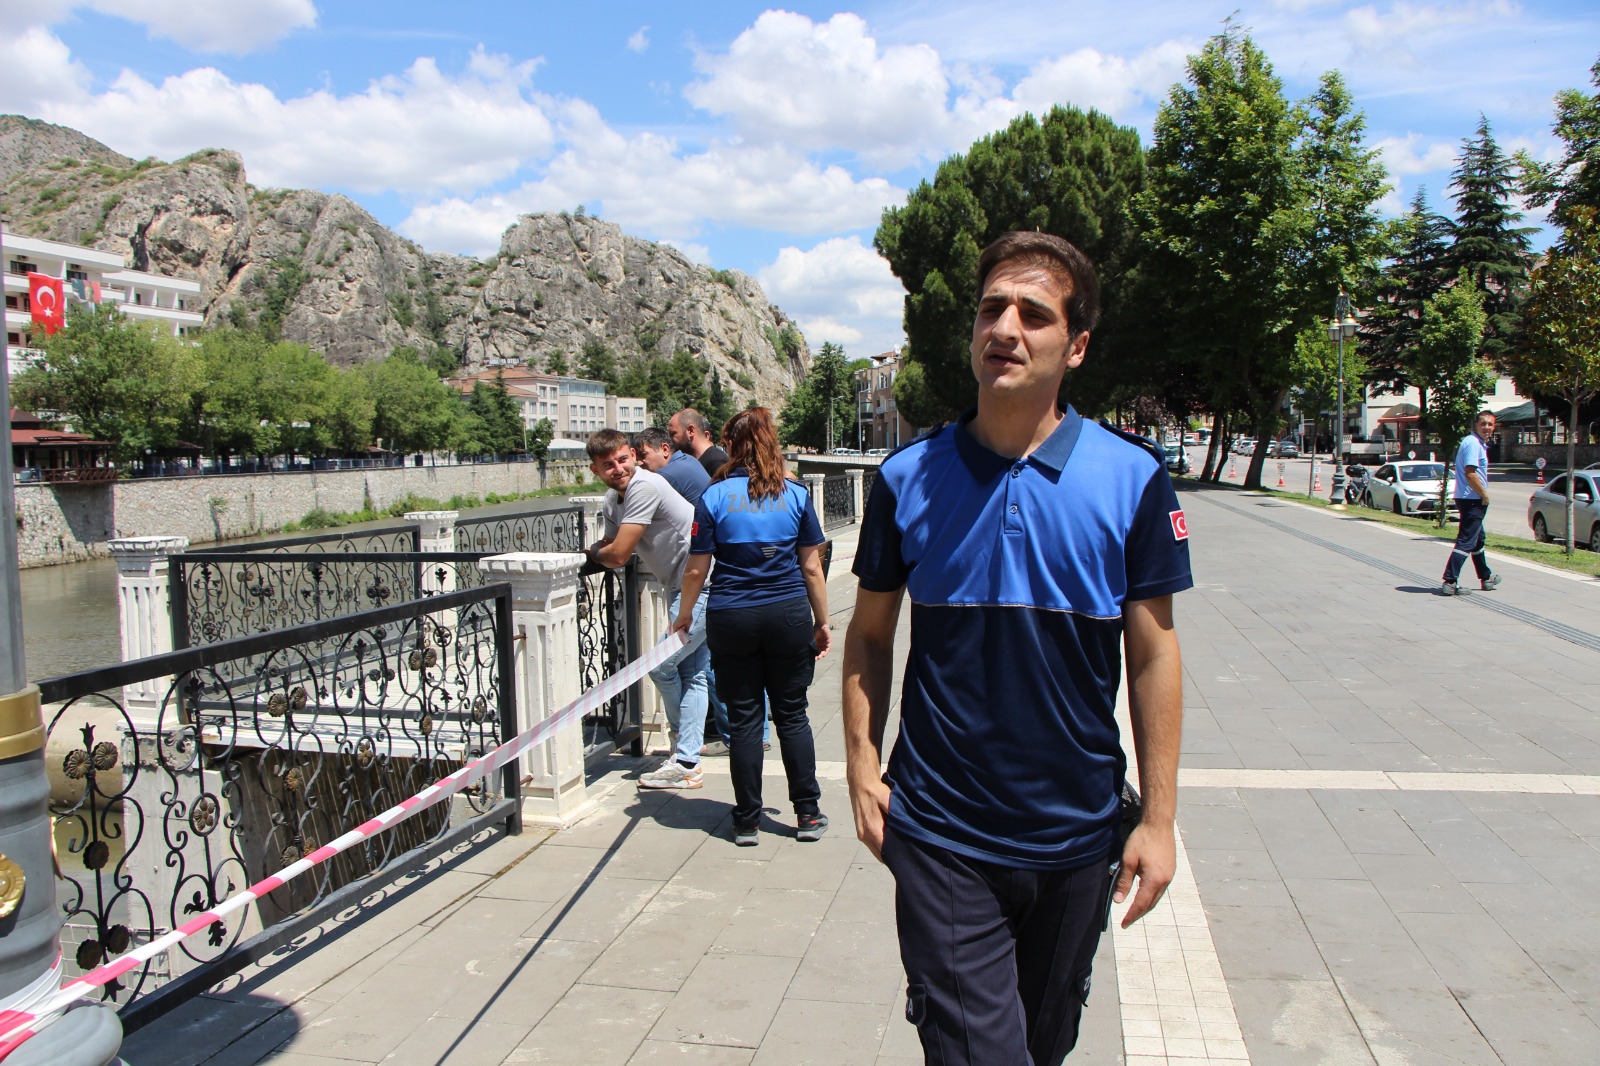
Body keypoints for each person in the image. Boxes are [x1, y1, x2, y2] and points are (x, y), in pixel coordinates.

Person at [842, 231, 1192, 1065]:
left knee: (1044, 1046)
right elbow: (869, 634)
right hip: (941, 833)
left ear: (1076, 346)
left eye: (1033, 314)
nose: (1005, 327)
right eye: (991, 309)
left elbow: (1154, 656)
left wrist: (1160, 820)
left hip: (1077, 837)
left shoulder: (1133, 478)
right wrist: (860, 766)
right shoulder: (907, 477)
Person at [673, 407, 831, 846]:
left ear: (732, 445)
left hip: (732, 616)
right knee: (792, 715)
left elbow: (696, 569)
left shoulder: (714, 496)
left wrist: (684, 615)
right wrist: (822, 622)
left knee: (744, 721)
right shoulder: (795, 494)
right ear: (771, 443)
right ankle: (807, 814)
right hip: (787, 615)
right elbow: (812, 567)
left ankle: (746, 821)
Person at [584, 429, 709, 789]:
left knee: (661, 665)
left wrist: (593, 552)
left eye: (623, 459)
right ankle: (687, 760)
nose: (618, 469)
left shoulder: (645, 486)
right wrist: (603, 550)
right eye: (608, 465)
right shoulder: (613, 500)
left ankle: (682, 754)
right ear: (596, 470)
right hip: (680, 585)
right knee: (693, 674)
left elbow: (617, 554)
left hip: (704, 584)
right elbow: (611, 544)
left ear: (634, 456)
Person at [1441, 410, 1502, 595]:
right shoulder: (1473, 443)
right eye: (1483, 423)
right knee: (1466, 541)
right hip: (1472, 499)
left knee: (1478, 539)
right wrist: (1484, 495)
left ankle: (1485, 577)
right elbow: (1470, 473)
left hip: (1469, 498)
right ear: (1475, 425)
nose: (1487, 427)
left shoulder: (1477, 443)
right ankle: (1450, 581)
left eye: (1490, 424)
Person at [634, 426, 710, 506]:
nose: (639, 463)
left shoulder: (665, 475)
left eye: (643, 455)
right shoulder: (688, 459)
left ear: (665, 449)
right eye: (637, 459)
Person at [668, 408, 731, 478]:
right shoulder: (697, 461)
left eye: (673, 433)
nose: (670, 439)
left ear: (690, 431)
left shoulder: (716, 461)